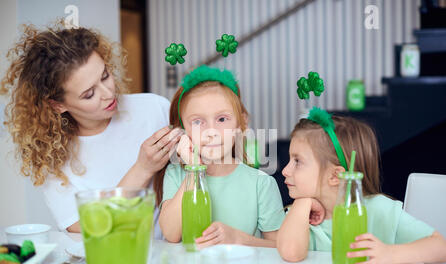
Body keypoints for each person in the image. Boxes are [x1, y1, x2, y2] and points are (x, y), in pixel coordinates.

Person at [0, 23, 181, 237]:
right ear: (58, 105)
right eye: (89, 94)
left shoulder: (153, 108)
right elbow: (92, 228)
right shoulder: (54, 161)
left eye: (105, 76)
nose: (108, 93)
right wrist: (143, 168)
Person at [277, 109, 446, 264]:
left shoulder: (379, 209)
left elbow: (440, 247)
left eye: (297, 161)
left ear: (335, 176)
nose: (285, 170)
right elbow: (291, 253)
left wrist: (390, 254)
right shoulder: (300, 215)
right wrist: (302, 202)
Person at [154, 65, 285, 248]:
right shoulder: (176, 175)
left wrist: (239, 239)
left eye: (222, 119)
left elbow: (280, 246)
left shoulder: (260, 184)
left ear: (240, 123)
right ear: (183, 131)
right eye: (198, 122)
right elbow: (171, 234)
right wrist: (194, 170)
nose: (211, 132)